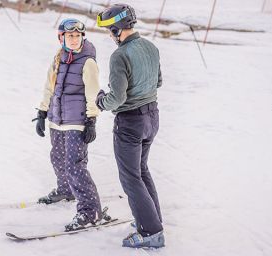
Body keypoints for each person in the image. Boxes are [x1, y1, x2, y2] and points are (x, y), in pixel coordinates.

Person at [96, 4, 165, 248]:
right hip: (152, 117)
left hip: (130, 123)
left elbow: (117, 98)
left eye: (109, 30)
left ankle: (151, 233)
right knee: (141, 170)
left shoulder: (120, 55)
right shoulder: (151, 47)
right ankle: (151, 220)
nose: (109, 35)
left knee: (130, 177)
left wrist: (101, 101)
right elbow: (158, 81)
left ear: (116, 29)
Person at [32, 18, 109, 231]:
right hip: (57, 120)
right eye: (70, 36)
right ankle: (65, 189)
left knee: (75, 165)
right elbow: (49, 87)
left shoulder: (88, 62)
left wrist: (91, 120)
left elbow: (93, 92)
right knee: (57, 158)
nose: (74, 40)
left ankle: (90, 211)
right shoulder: (58, 58)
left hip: (77, 121)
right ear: (61, 37)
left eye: (77, 36)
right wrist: (42, 112)